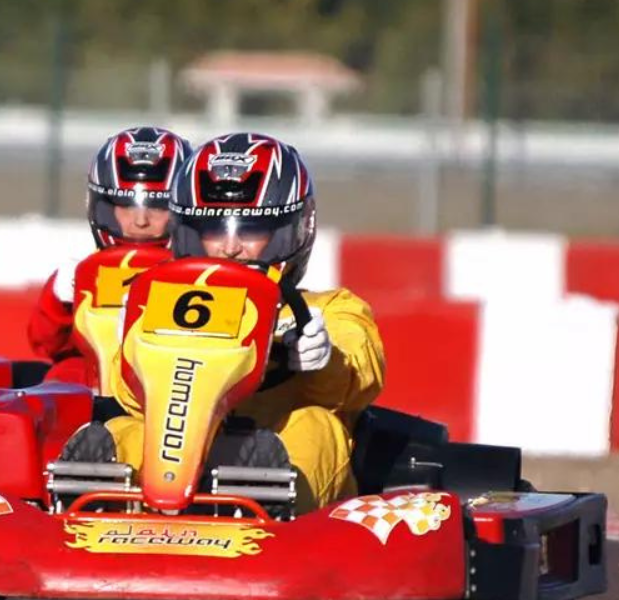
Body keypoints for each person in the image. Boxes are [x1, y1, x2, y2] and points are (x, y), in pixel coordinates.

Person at [65, 133, 385, 514]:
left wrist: (324, 359)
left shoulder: (327, 309)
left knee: (317, 425)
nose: (230, 247)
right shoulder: (166, 304)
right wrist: (136, 352)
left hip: (277, 454)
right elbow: (130, 398)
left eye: (251, 231)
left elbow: (362, 369)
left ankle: (267, 501)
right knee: (123, 430)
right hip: (182, 450)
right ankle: (94, 506)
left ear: (292, 231)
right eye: (215, 231)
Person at [26, 126, 191, 384]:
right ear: (101, 206)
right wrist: (59, 301)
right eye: (126, 206)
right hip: (96, 382)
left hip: (170, 381)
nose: (141, 221)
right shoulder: (84, 273)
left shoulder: (198, 274)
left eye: (158, 207)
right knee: (63, 376)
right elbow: (46, 343)